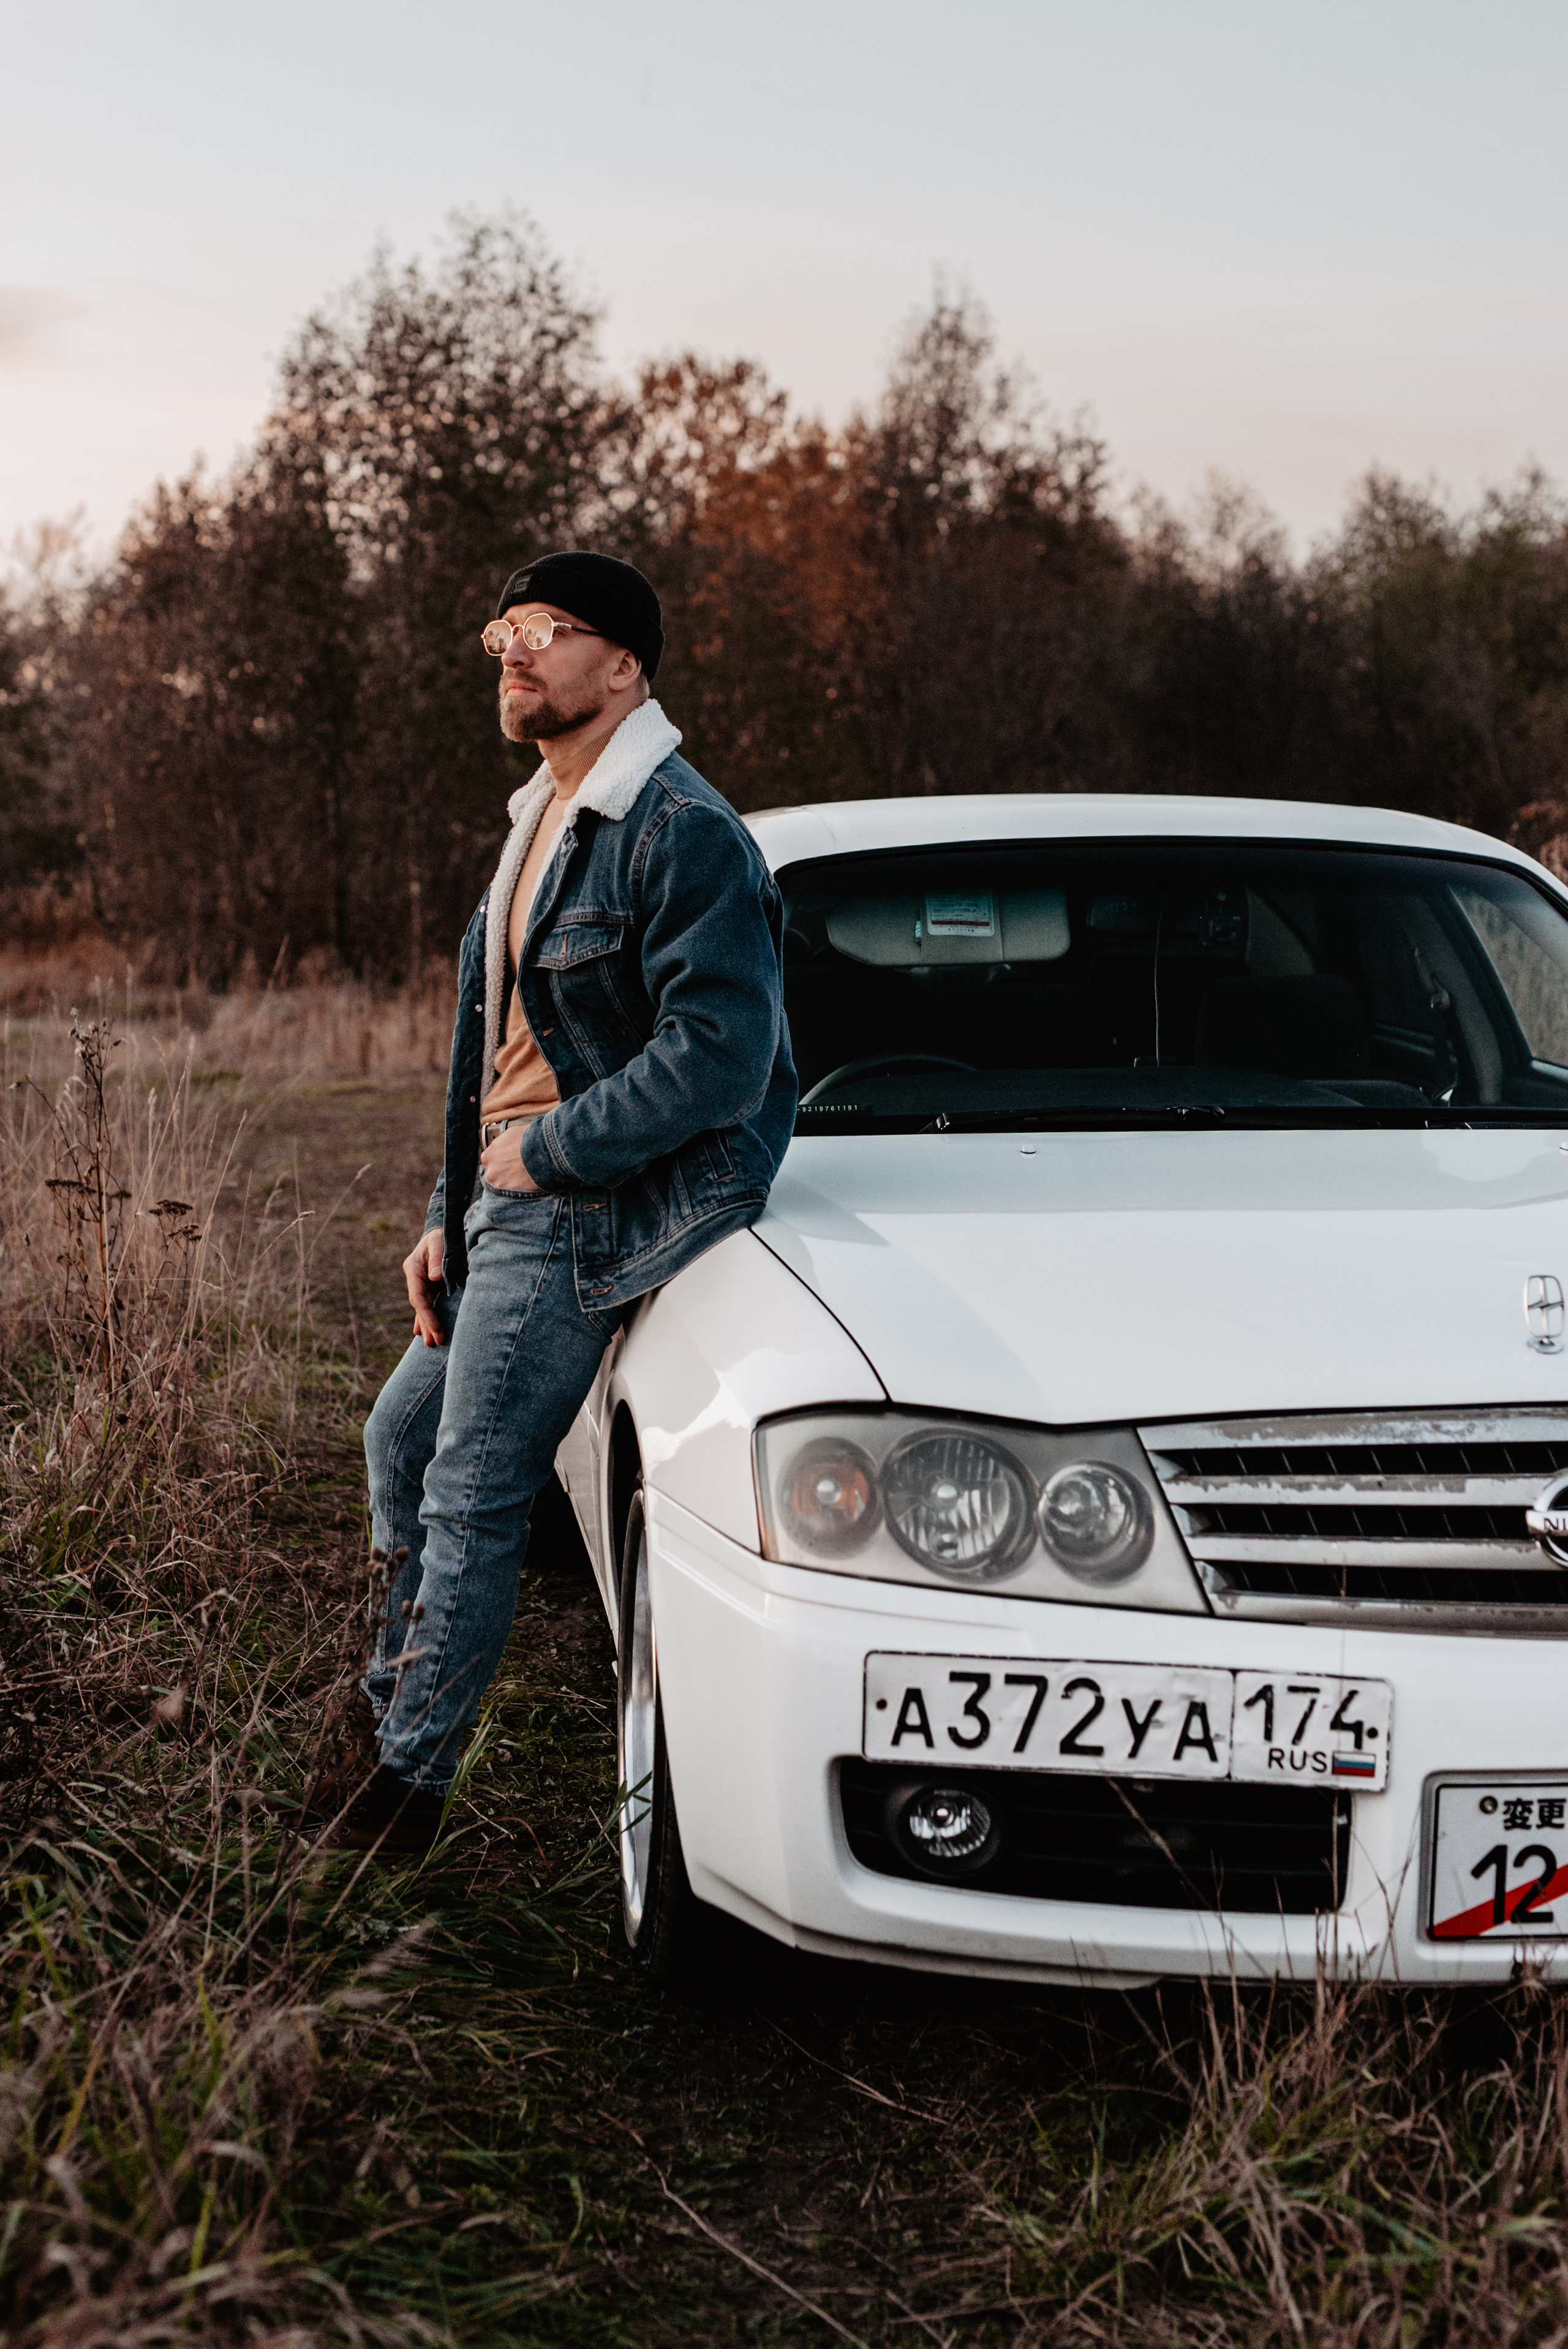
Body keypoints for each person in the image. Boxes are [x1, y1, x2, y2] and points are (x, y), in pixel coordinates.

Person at [289, 551, 796, 1853]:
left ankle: (399, 1794)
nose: (512, 651)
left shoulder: (680, 832)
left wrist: (548, 1155)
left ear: (622, 663)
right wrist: (443, 1209)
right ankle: (384, 1712)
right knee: (397, 1443)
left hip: (576, 1200)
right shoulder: (542, 818)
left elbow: (719, 1058)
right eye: (503, 627)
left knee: (471, 1484)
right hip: (505, 1200)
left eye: (546, 630)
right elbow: (496, 1050)